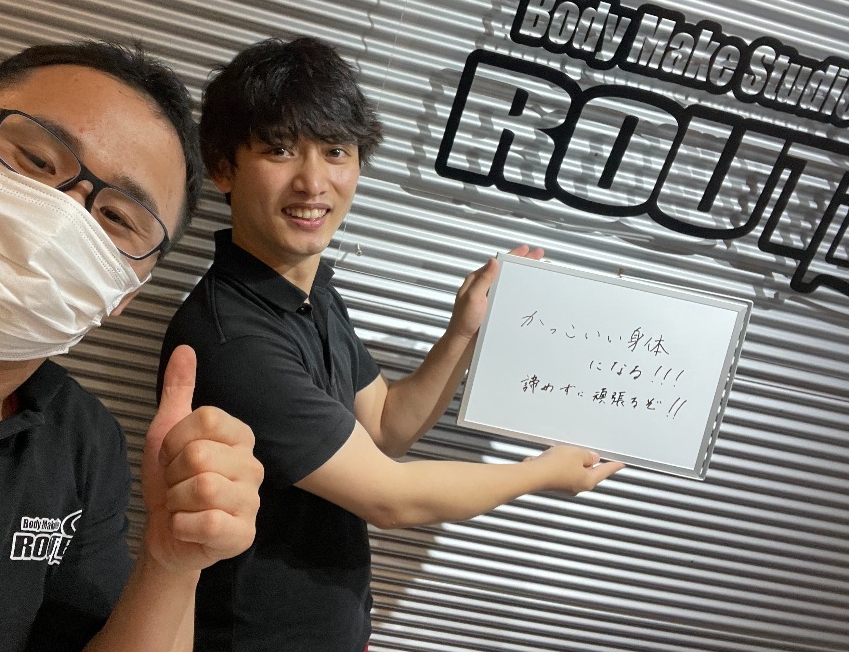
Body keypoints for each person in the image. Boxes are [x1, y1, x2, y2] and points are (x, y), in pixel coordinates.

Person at [158, 36, 625, 652]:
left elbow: (384, 426)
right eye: (279, 149)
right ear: (223, 167)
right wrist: (540, 474)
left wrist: (465, 329)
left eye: (335, 151)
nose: (313, 182)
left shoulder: (312, 293)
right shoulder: (231, 338)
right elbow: (389, 499)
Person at [0, 41, 263, 652]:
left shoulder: (84, 444)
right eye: (35, 158)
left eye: (118, 218)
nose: (61, 215)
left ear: (125, 294)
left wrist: (172, 563)